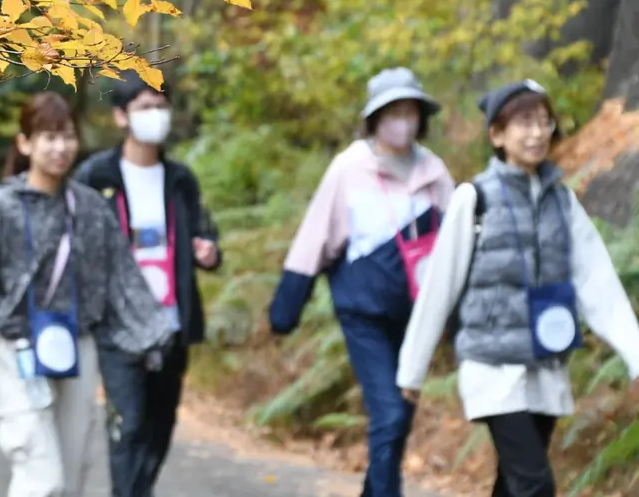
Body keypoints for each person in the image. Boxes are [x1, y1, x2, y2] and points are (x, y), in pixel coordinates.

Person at [396, 80, 639, 497]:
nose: (537, 133)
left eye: (545, 123)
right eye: (525, 123)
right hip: (492, 367)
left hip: (545, 367)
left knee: (513, 485)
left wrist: (635, 355)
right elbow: (440, 286)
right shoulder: (474, 199)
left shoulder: (562, 202)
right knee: (535, 484)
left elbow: (598, 283)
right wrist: (412, 368)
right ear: (497, 135)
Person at [0, 91, 175, 497]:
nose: (60, 148)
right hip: (20, 351)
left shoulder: (91, 208)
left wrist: (152, 337)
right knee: (42, 479)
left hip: (79, 349)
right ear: (25, 143)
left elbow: (121, 278)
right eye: (48, 137)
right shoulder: (0, 207)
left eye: (68, 136)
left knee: (72, 477)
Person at [268, 67, 455, 497]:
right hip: (364, 312)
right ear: (374, 118)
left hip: (416, 313)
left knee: (400, 416)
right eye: (393, 112)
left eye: (410, 111)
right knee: (389, 413)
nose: (402, 120)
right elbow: (316, 237)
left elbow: (458, 236)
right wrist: (286, 310)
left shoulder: (433, 169)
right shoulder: (349, 168)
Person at [73, 72, 222, 497]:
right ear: (121, 116)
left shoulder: (180, 179)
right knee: (130, 425)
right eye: (144, 108)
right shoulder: (96, 177)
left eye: (161, 107)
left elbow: (205, 235)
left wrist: (207, 251)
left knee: (159, 427)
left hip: (171, 322)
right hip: (118, 327)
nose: (155, 116)